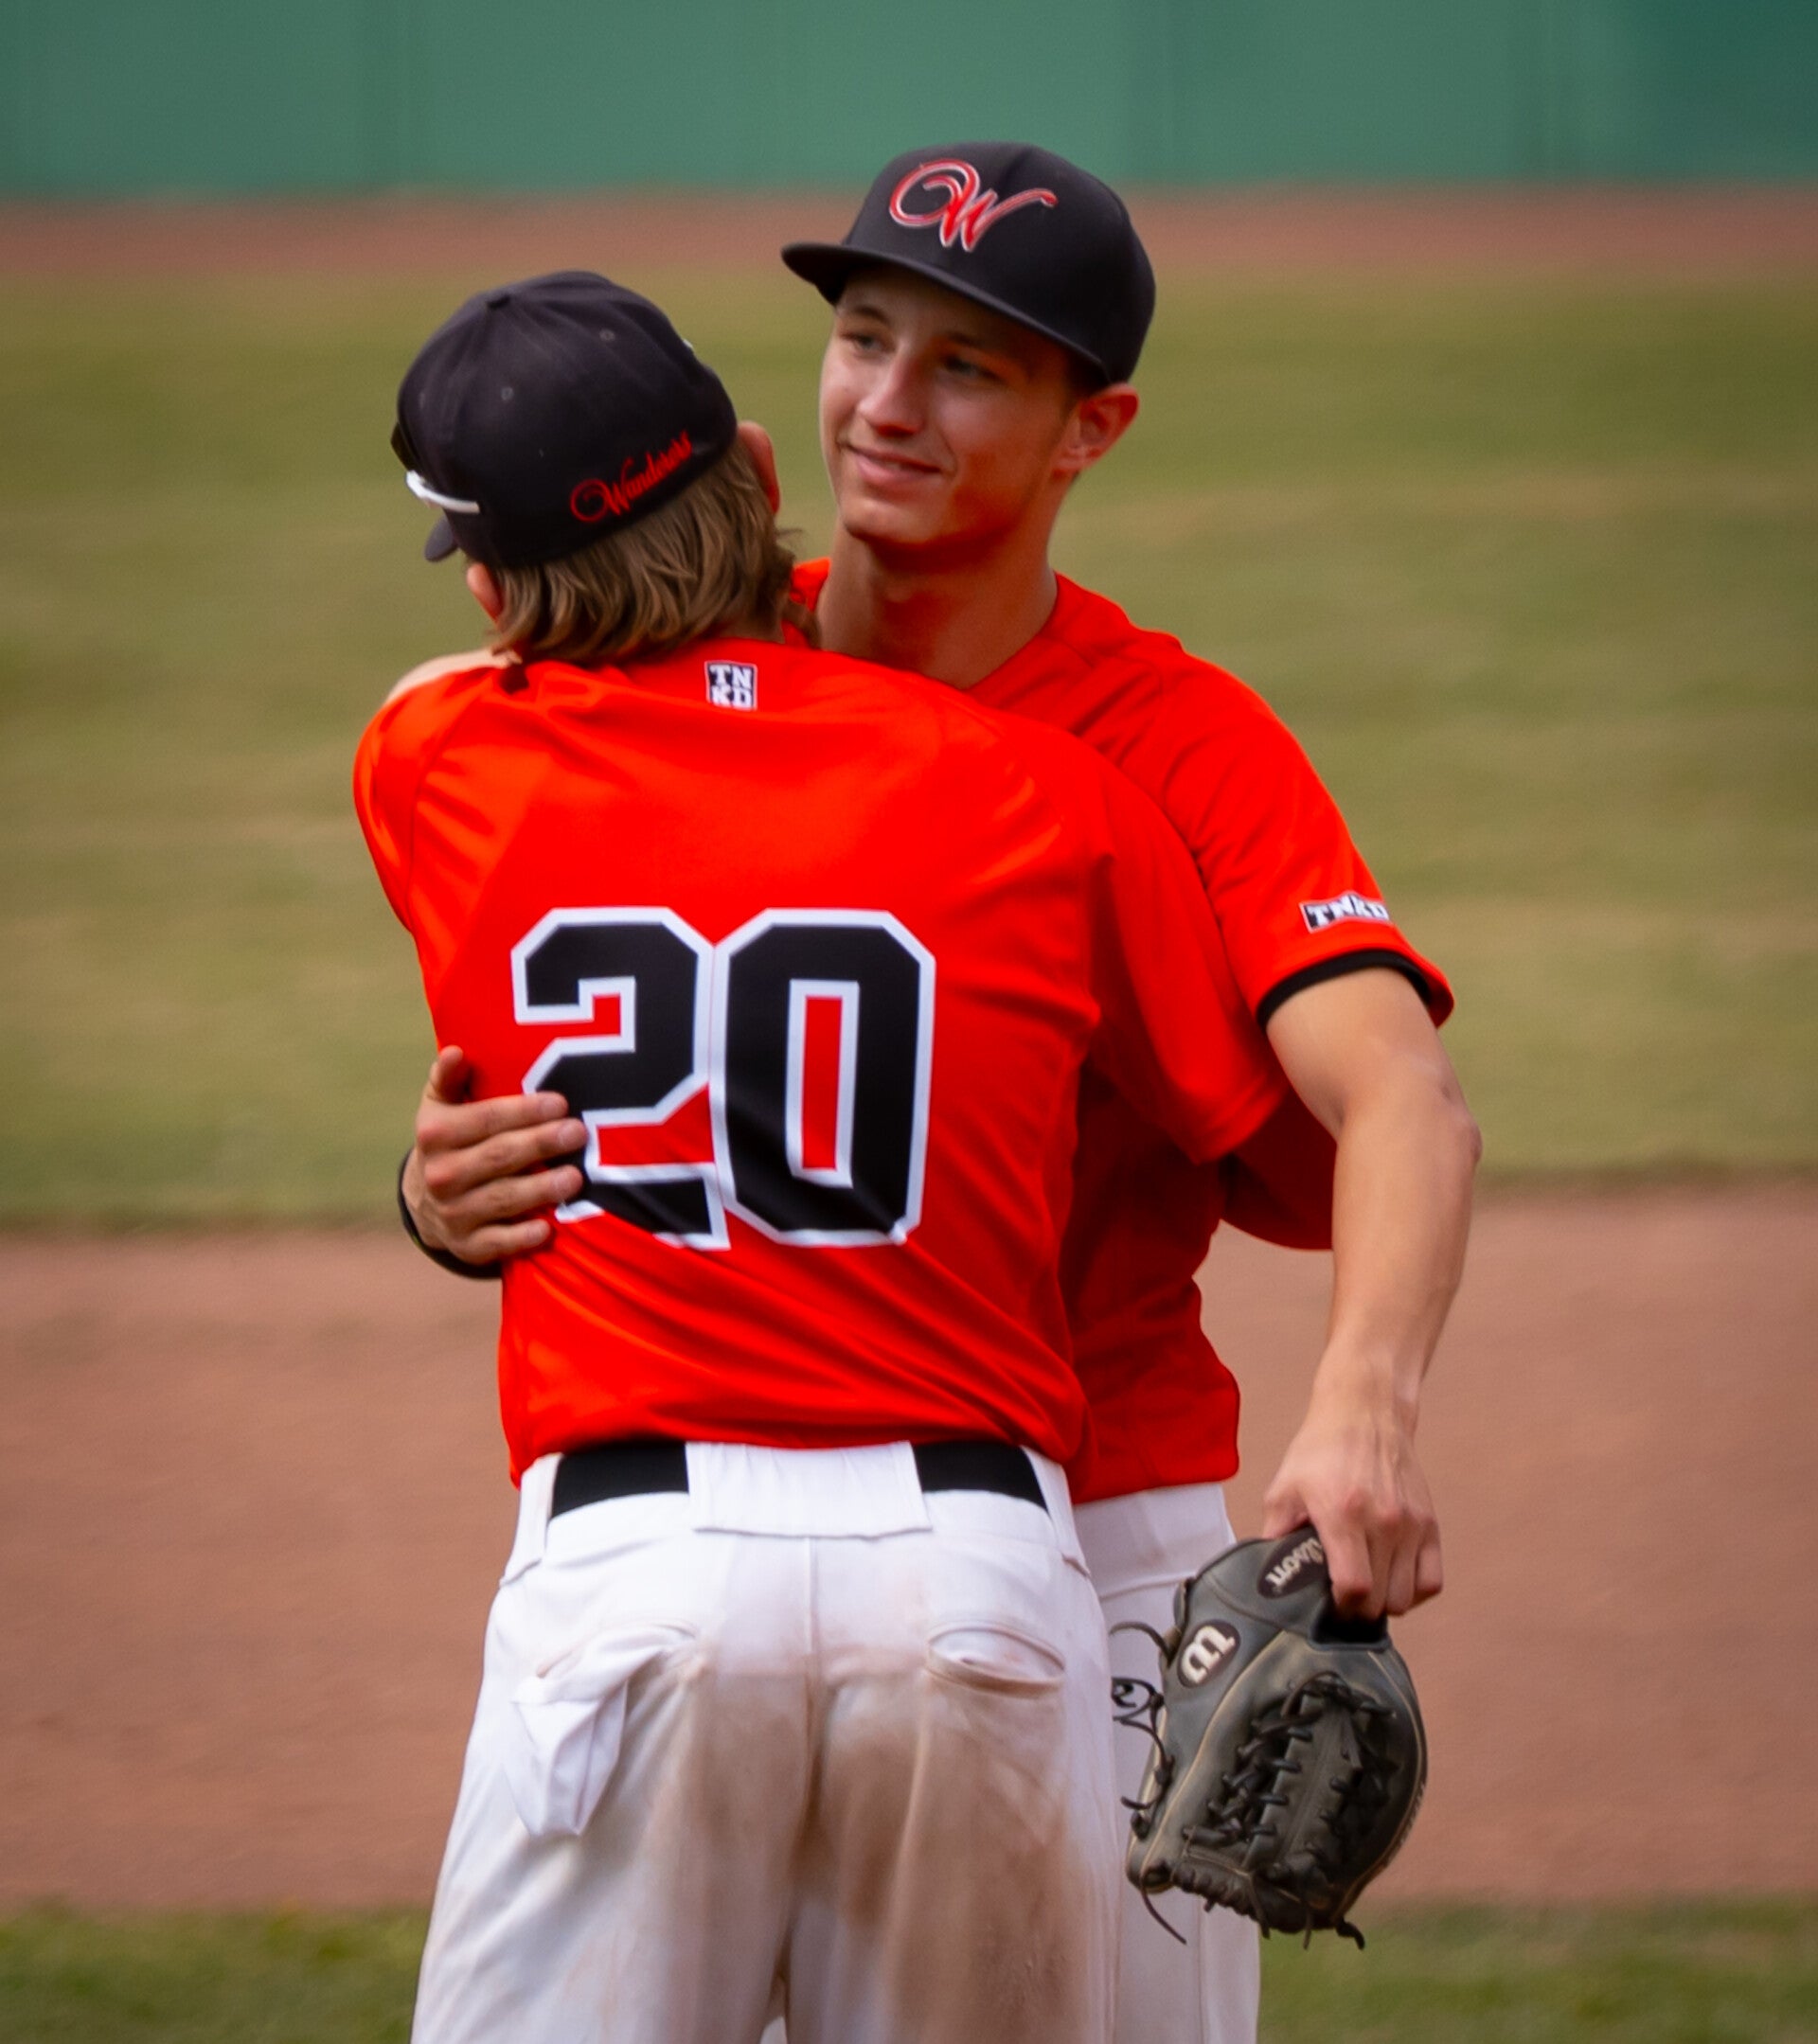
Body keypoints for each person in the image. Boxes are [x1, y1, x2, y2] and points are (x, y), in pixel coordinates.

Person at [398, 145, 1482, 2044]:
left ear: (1091, 429)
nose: (889, 404)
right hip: (935, 1558)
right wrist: (439, 1185)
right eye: (865, 338)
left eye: (969, 367)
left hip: (1105, 1516)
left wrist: (1364, 1411)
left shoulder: (1175, 742)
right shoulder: (683, 653)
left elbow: (1397, 1102)